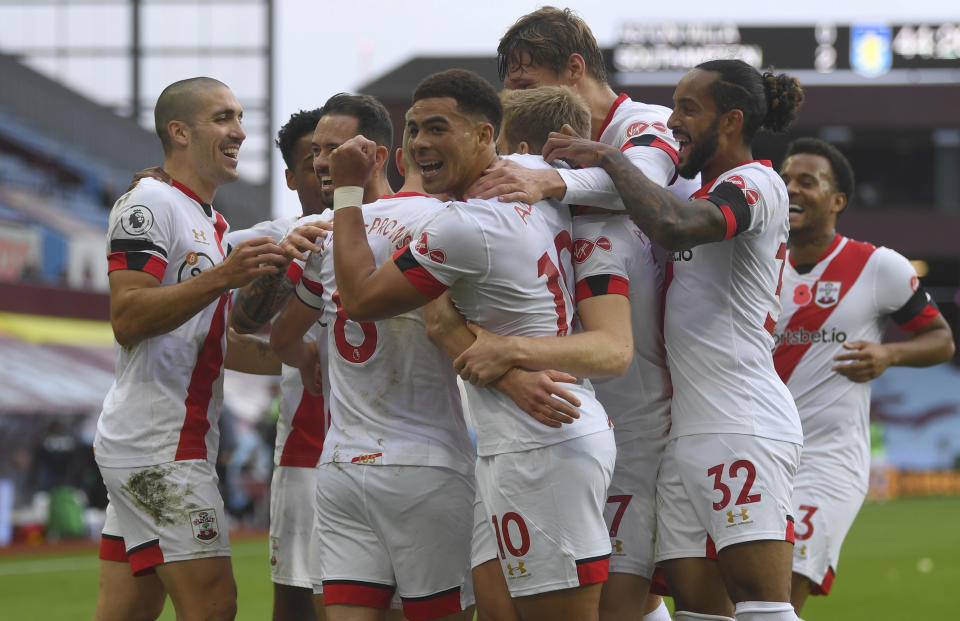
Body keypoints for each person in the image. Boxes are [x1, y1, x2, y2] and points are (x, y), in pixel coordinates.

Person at [327, 69, 619, 621]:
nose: (420, 144)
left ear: (487, 136)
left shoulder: (465, 227)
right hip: (517, 439)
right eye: (413, 130)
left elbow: (361, 298)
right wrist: (558, 182)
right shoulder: (530, 172)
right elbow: (616, 183)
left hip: (541, 446)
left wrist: (347, 191)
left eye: (438, 128)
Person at [539, 59, 806, 621]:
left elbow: (675, 226)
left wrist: (611, 157)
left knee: (763, 606)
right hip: (687, 429)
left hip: (741, 421)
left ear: (731, 121)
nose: (673, 121)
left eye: (688, 108)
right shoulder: (707, 188)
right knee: (700, 610)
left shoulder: (756, 182)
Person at [452, 84, 671, 621]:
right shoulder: (491, 219)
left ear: (523, 147)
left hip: (567, 430)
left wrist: (509, 353)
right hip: (502, 441)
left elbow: (613, 348)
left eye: (500, 143)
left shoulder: (596, 230)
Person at [93, 77, 287, 621]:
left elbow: (211, 341)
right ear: (179, 132)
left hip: (156, 443)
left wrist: (297, 359)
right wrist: (222, 278)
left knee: (127, 611)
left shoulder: (208, 220)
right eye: (223, 118)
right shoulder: (149, 202)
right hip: (160, 446)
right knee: (214, 606)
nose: (240, 132)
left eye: (241, 118)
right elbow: (128, 317)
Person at [774, 137, 955, 615]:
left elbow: (942, 341)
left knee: (780, 588)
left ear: (838, 202)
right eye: (786, 178)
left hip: (828, 462)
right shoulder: (757, 267)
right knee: (731, 595)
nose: (791, 188)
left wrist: (889, 355)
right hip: (760, 451)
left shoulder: (877, 267)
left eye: (807, 182)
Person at [469, 5, 698, 226]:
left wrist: (545, 180)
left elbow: (645, 185)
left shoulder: (646, 122)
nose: (515, 100)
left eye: (525, 86)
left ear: (575, 69)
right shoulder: (540, 144)